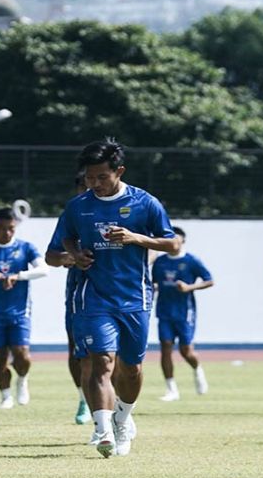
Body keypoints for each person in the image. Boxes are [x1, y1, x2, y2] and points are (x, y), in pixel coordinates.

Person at [62, 139, 179, 457]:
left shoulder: (145, 203)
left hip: (135, 298)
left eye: (101, 177)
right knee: (101, 361)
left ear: (119, 171)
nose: (95, 184)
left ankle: (123, 418)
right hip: (93, 297)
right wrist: (76, 255)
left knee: (132, 369)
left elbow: (173, 245)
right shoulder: (78, 206)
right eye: (89, 178)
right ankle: (102, 431)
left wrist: (134, 238)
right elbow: (65, 239)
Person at [0, 207, 48, 409]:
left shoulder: (25, 248)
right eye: (2, 228)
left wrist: (18, 276)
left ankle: (22, 380)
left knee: (22, 354)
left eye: (11, 228)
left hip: (20, 312)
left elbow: (43, 270)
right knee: (0, 357)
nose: (7, 233)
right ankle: (5, 396)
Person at [45, 171, 92, 426]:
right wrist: (67, 257)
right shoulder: (72, 215)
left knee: (113, 356)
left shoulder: (119, 211)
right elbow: (51, 255)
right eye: (83, 187)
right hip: (78, 294)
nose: (88, 190)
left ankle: (117, 404)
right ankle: (84, 398)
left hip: (115, 295)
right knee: (77, 352)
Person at [152, 226, 214, 401]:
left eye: (177, 240)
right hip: (164, 310)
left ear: (183, 241)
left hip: (184, 311)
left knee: (186, 350)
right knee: (165, 347)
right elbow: (154, 282)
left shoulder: (191, 261)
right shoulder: (160, 261)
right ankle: (171, 389)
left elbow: (209, 280)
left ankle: (197, 368)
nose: (173, 244)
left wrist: (189, 287)